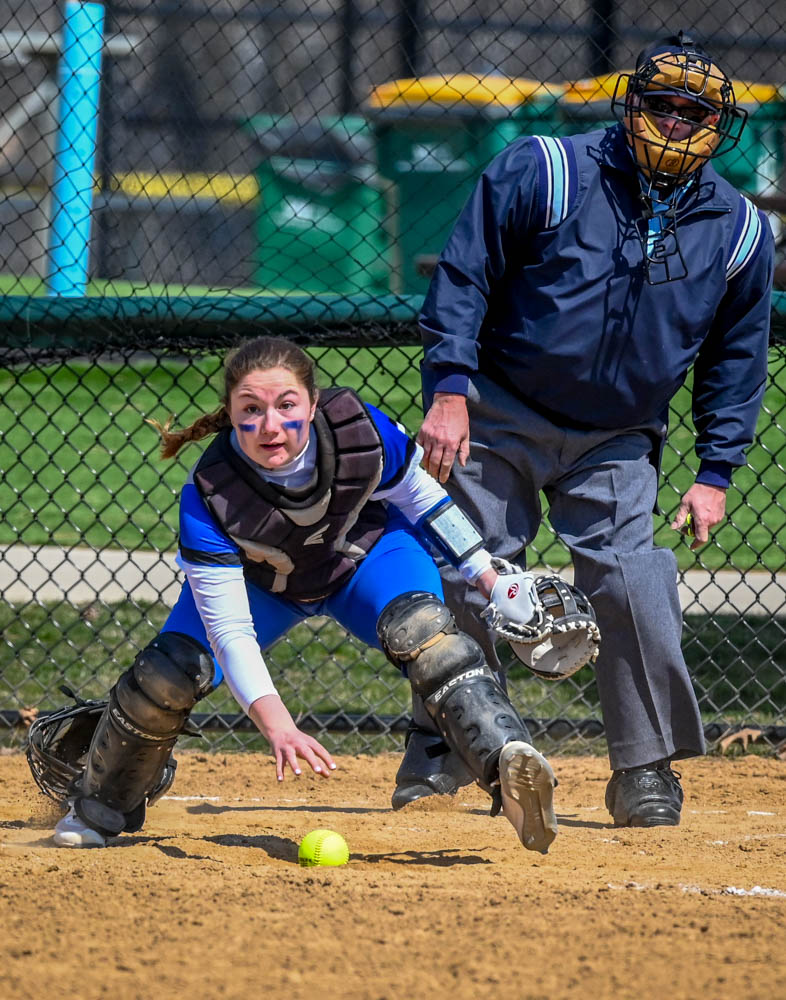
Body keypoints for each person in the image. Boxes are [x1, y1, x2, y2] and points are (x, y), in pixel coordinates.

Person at [409, 31, 775, 827]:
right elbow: (464, 277)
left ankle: (644, 768)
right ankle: (451, 742)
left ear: (719, 126)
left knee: (636, 583)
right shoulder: (546, 170)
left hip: (619, 434)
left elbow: (737, 359)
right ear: (631, 104)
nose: (676, 122)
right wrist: (450, 392)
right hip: (499, 410)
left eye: (696, 111)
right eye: (663, 104)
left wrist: (716, 471)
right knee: (474, 567)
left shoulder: (740, 228)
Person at [49, 335, 563, 853]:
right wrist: (278, 725)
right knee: (166, 674)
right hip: (265, 587)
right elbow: (230, 631)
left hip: (364, 560)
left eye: (286, 405)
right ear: (229, 414)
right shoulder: (210, 495)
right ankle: (98, 805)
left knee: (428, 634)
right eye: (250, 409)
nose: (270, 425)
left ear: (313, 404)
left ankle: (509, 767)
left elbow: (421, 496)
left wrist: (488, 578)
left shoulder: (354, 430)